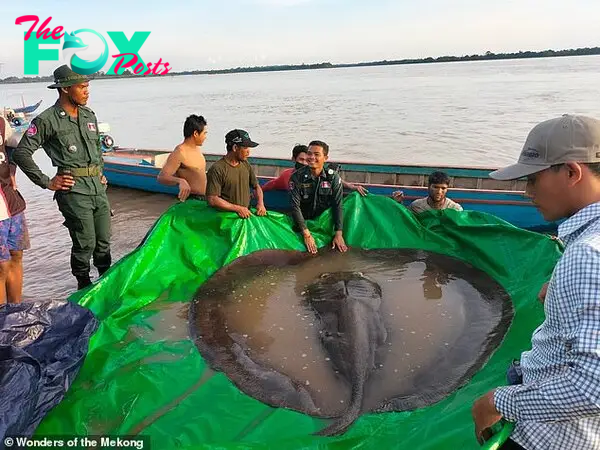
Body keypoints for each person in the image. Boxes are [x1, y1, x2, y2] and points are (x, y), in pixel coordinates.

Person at [471, 114, 600, 450]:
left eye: (533, 179)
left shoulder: (587, 255)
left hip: (550, 437)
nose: (526, 192)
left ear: (572, 172)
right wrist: (558, 285)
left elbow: (592, 387)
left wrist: (496, 402)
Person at [12, 65, 111, 291]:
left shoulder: (89, 115)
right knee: (85, 244)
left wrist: (100, 172)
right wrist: (47, 182)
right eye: (82, 87)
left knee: (104, 242)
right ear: (65, 89)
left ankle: (107, 286)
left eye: (87, 86)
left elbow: (96, 148)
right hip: (74, 191)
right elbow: (21, 153)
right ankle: (84, 288)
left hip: (97, 188)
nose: (87, 91)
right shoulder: (47, 120)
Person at [289, 140, 347, 254]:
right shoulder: (296, 177)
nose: (311, 157)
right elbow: (295, 206)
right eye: (309, 153)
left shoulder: (333, 178)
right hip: (303, 224)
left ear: (325, 158)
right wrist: (306, 234)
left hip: (324, 223)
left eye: (316, 154)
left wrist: (338, 233)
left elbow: (338, 205)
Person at [263, 144, 368, 196]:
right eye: (301, 160)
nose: (304, 163)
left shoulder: (314, 171)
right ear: (294, 159)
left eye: (306, 160)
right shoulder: (288, 176)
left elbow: (331, 178)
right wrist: (256, 193)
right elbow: (272, 184)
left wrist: (352, 187)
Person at [0, 115, 29, 305]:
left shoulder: (1, 122)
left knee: (16, 255)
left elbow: (14, 144)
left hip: (11, 202)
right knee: (1, 266)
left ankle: (16, 312)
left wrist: (11, 170)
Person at [205, 129, 266, 218]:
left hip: (245, 214)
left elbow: (256, 187)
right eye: (245, 148)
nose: (248, 152)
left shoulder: (245, 164)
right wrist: (237, 208)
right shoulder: (217, 169)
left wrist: (260, 203)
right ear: (235, 148)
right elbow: (213, 199)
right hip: (227, 218)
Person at [157, 114, 208, 201]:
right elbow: (162, 177)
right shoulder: (180, 152)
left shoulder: (197, 149)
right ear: (195, 133)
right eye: (204, 133)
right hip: (191, 199)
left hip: (204, 198)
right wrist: (180, 181)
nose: (205, 137)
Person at [392, 171, 463, 213]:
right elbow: (405, 219)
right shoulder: (416, 206)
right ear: (429, 187)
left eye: (443, 188)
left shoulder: (455, 209)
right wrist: (397, 203)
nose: (439, 191)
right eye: (435, 187)